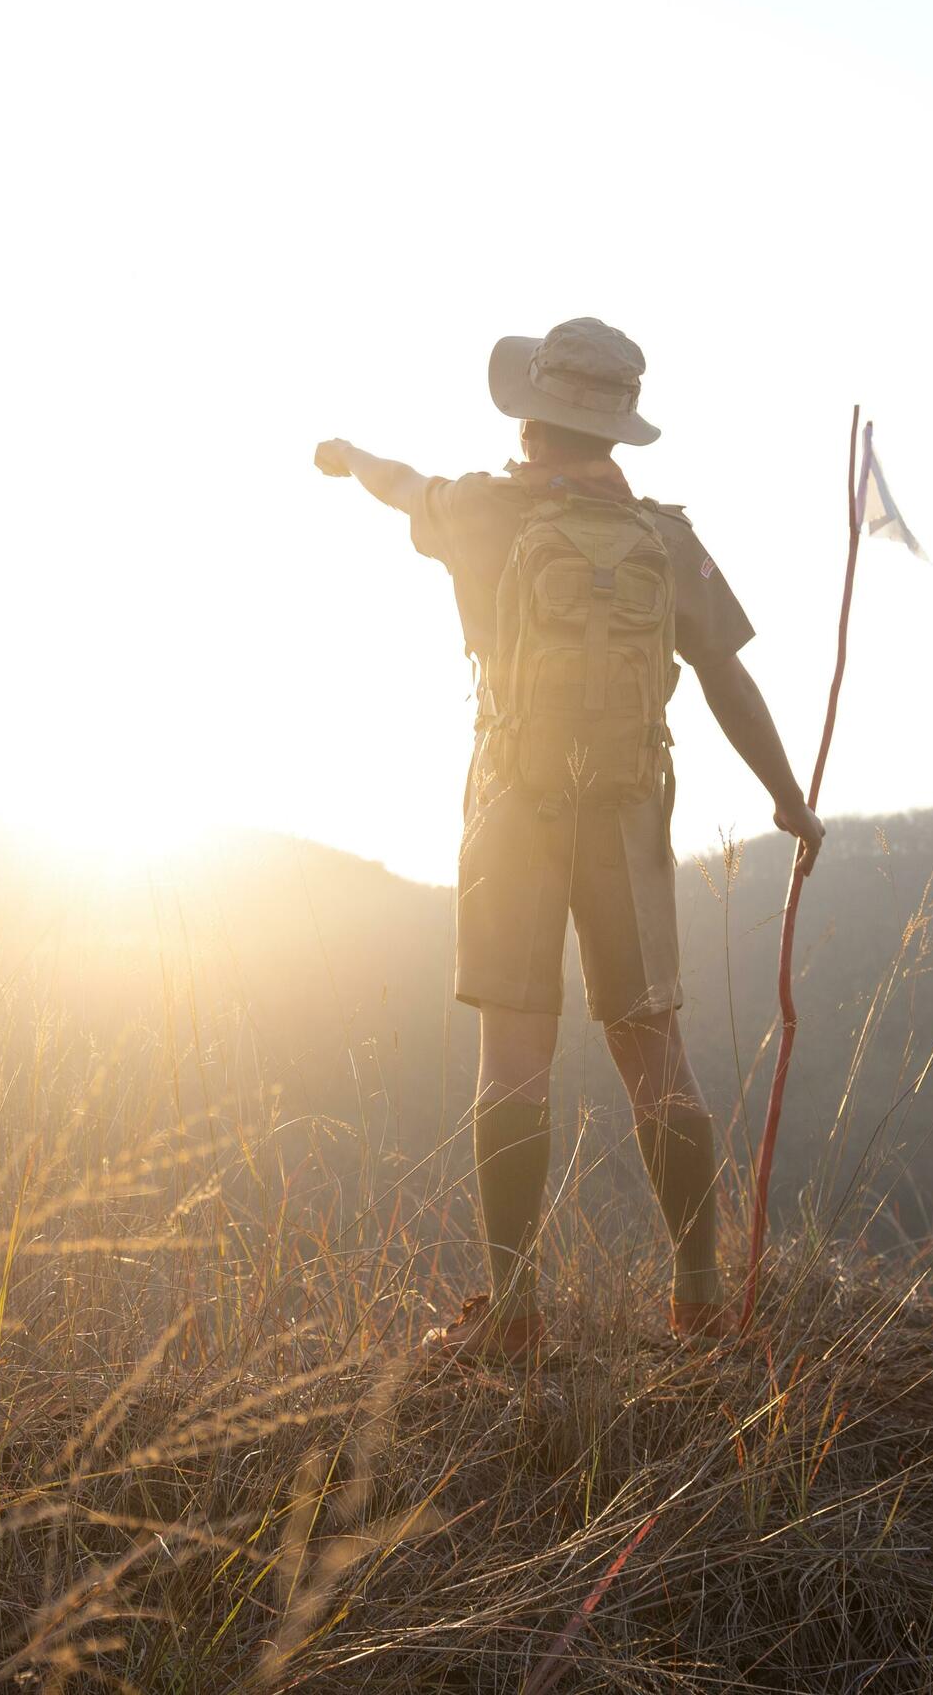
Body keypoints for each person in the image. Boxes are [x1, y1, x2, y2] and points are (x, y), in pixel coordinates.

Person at [314, 316, 824, 1362]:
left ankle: (513, 1312)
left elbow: (398, 481)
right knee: (657, 1058)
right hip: (629, 815)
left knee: (514, 1057)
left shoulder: (481, 511)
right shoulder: (666, 538)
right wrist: (789, 800)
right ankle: (697, 1296)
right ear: (619, 429)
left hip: (514, 805)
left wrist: (346, 456)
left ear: (531, 417)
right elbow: (729, 676)